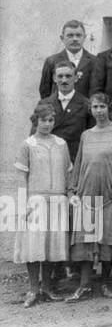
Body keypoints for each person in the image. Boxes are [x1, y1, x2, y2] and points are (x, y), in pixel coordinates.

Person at [67, 92, 112, 300]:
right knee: (86, 238)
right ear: (91, 110)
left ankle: (105, 283)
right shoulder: (86, 135)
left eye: (102, 107)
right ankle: (85, 285)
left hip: (110, 195)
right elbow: (78, 164)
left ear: (108, 108)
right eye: (95, 107)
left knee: (107, 240)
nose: (99, 111)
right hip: (87, 193)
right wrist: (73, 189)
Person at [14, 102, 71, 307]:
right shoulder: (27, 145)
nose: (47, 124)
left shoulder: (61, 144)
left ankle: (47, 289)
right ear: (35, 121)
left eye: (50, 120)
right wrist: (23, 205)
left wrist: (68, 194)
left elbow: (68, 173)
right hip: (35, 201)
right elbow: (22, 177)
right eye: (43, 120)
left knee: (50, 246)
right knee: (33, 245)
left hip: (56, 200)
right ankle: (33, 290)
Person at [43, 61, 92, 160]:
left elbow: (91, 138)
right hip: (50, 157)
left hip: (76, 158)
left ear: (76, 78)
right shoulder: (44, 103)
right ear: (54, 78)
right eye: (60, 76)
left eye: (68, 76)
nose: (64, 80)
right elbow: (36, 136)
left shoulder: (87, 105)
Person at [38, 18, 94, 98]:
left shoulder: (95, 61)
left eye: (78, 35)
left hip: (85, 109)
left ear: (84, 37)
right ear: (62, 38)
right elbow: (45, 91)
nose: (75, 39)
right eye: (70, 35)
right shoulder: (51, 61)